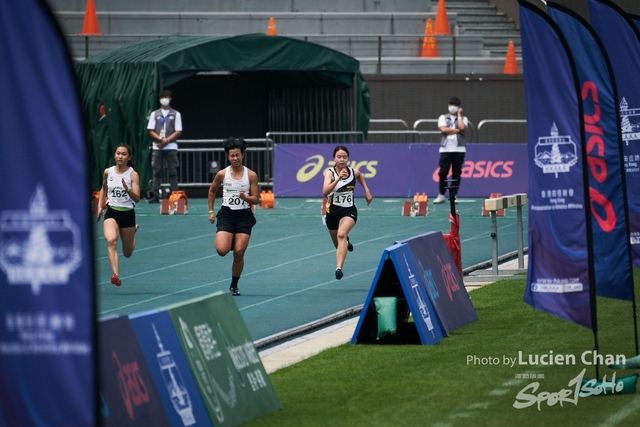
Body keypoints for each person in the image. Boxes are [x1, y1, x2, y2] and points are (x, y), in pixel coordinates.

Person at [208, 137, 260, 296]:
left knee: (239, 253)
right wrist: (211, 211)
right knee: (222, 250)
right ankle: (229, 240)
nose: (235, 158)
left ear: (242, 155)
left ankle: (234, 285)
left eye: (237, 155)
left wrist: (246, 198)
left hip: (244, 216)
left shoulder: (251, 175)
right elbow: (212, 191)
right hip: (227, 215)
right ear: (228, 157)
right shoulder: (222, 174)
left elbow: (257, 199)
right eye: (232, 156)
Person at [322, 146, 373, 280]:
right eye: (339, 157)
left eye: (344, 157)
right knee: (338, 244)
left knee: (342, 234)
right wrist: (338, 179)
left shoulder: (352, 171)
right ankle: (347, 242)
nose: (342, 159)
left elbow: (360, 175)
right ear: (334, 158)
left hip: (349, 211)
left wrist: (367, 191)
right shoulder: (330, 173)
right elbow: (325, 191)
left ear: (348, 158)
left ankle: (339, 268)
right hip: (332, 212)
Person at [97, 143, 140, 287]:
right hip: (112, 212)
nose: (120, 156)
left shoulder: (133, 175)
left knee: (127, 253)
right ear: (114, 155)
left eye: (123, 154)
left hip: (127, 214)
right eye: (118, 153)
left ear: (129, 157)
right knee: (111, 240)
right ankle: (116, 275)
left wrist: (128, 189)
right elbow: (103, 188)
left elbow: (137, 198)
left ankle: (133, 229)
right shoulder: (108, 172)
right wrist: (99, 206)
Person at [147, 89, 182, 203]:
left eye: (166, 97)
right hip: (157, 146)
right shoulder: (154, 114)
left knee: (173, 171)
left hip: (171, 146)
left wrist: (166, 140)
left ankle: (174, 193)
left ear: (170, 99)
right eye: (162, 97)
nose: (164, 99)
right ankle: (155, 194)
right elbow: (151, 130)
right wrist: (160, 139)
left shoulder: (176, 114)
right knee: (156, 171)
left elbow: (178, 131)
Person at [433, 96, 469, 204]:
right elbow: (443, 129)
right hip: (446, 149)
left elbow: (463, 128)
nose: (453, 107)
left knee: (456, 173)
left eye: (455, 105)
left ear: (459, 107)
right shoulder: (443, 117)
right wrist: (457, 130)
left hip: (459, 149)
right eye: (451, 105)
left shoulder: (464, 118)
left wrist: (459, 116)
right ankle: (441, 194)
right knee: (443, 172)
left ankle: (454, 195)